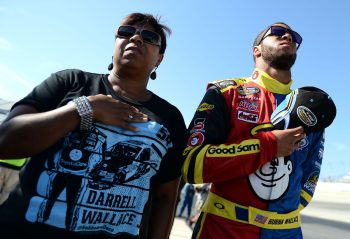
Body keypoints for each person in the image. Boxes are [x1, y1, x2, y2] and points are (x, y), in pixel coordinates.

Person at [0, 12, 187, 239]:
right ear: (115, 44)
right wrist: (84, 110)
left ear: (159, 59)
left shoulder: (170, 118)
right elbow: (5, 141)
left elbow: (165, 198)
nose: (136, 38)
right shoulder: (70, 82)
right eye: (126, 32)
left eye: (149, 37)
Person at [182, 22, 332, 239]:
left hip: (286, 232)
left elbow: (310, 176)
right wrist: (268, 145)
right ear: (257, 50)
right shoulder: (226, 93)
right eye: (278, 33)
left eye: (294, 37)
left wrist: (282, 213)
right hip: (224, 229)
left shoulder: (312, 108)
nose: (288, 37)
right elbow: (191, 164)